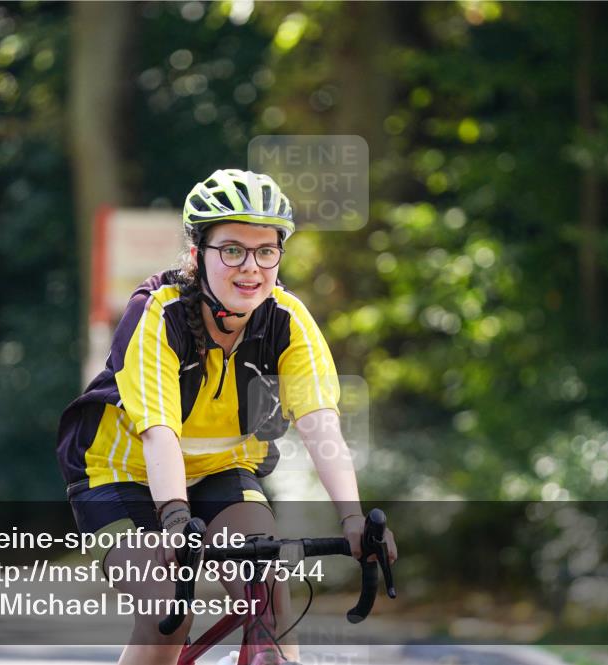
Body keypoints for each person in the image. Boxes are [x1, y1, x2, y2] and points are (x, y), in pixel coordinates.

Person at [57, 168, 397, 665]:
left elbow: (321, 427)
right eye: (232, 250)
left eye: (266, 252)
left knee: (270, 594)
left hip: (222, 470)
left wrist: (352, 518)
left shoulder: (287, 320)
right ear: (198, 253)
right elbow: (159, 435)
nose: (251, 268)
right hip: (120, 476)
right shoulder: (159, 313)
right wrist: (174, 520)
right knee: (164, 614)